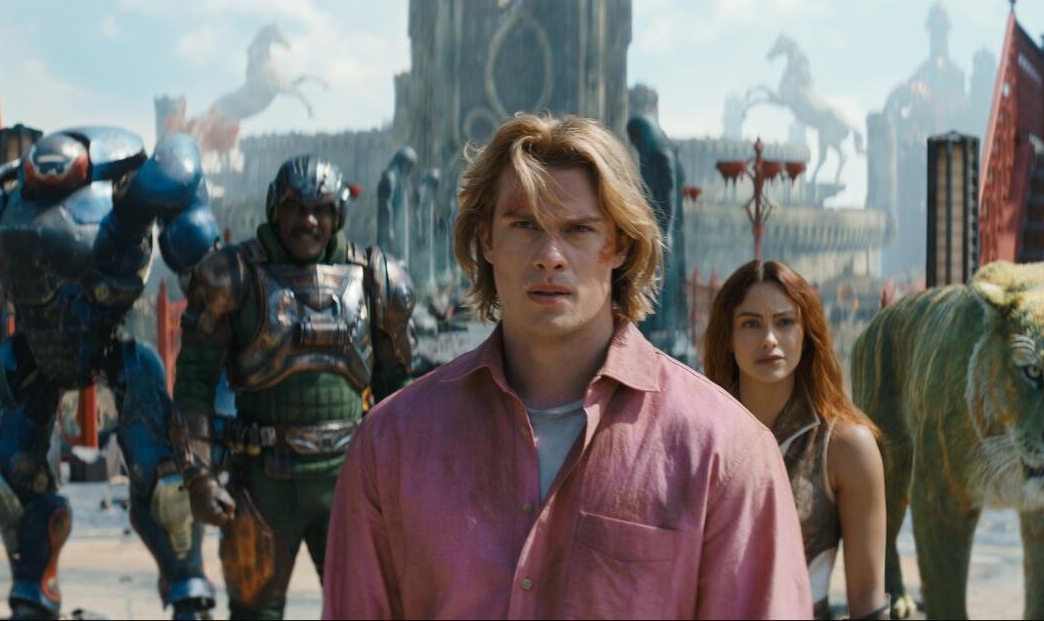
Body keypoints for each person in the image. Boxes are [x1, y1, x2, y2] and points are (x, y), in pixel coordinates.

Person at [322, 113, 812, 619]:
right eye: (524, 225)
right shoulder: (393, 445)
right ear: (486, 240)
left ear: (620, 244)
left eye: (578, 230)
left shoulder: (721, 452)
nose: (549, 256)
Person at [0, 128, 219, 619]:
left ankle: (188, 587)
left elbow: (211, 295)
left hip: (110, 346)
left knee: (164, 478)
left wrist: (216, 404)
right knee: (2, 473)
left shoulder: (140, 192)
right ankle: (34, 591)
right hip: (33, 351)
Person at [169, 155, 415, 619]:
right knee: (253, 613)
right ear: (274, 209)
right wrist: (199, 476)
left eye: (321, 210)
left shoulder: (376, 280)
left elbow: (402, 394)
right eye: (296, 208)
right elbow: (194, 385)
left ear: (338, 214)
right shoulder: (232, 278)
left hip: (348, 485)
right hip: (263, 486)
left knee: (366, 611)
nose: (308, 221)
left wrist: (410, 481)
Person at [703, 259, 888, 620]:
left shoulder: (846, 447)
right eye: (750, 323)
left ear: (807, 333)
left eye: (785, 322)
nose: (769, 339)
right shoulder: (700, 436)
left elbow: (868, 601)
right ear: (728, 337)